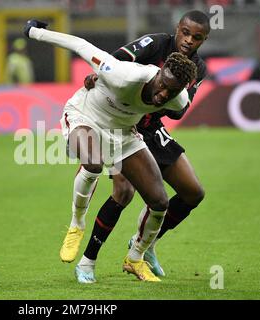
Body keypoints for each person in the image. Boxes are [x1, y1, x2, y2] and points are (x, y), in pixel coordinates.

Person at [24, 19, 197, 282]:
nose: (163, 94)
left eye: (170, 91)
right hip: (85, 115)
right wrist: (35, 32)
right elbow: (79, 44)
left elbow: (178, 106)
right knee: (93, 162)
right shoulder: (122, 74)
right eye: (163, 84)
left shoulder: (178, 98)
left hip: (123, 134)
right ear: (158, 73)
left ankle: (135, 258)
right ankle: (76, 224)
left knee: (159, 201)